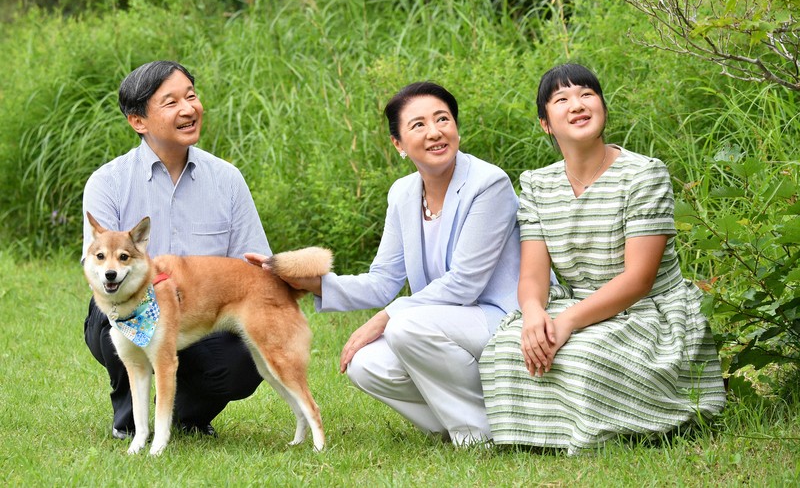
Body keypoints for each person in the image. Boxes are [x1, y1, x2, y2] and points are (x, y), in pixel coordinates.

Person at [247, 81, 546, 446]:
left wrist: (388, 316)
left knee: (404, 328)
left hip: (501, 317)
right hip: (442, 323)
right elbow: (383, 280)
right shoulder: (403, 193)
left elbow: (466, 282)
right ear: (399, 144)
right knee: (365, 366)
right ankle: (467, 422)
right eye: (418, 125)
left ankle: (476, 434)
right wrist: (312, 283)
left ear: (456, 127)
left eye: (443, 119)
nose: (435, 132)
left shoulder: (489, 184)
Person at [479, 63, 727, 454]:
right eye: (561, 100)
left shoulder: (644, 174)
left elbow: (639, 280)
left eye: (587, 94)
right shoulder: (537, 184)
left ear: (603, 109)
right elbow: (532, 276)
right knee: (505, 349)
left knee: (583, 358)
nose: (577, 104)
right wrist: (533, 315)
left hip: (648, 311)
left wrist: (566, 324)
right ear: (545, 123)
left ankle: (640, 422)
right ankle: (548, 435)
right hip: (578, 302)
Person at [82, 60, 271, 439]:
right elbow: (99, 266)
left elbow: (253, 264)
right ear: (139, 121)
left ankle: (186, 416)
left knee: (243, 360)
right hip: (127, 302)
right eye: (171, 102)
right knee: (118, 326)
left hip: (203, 313)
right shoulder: (108, 182)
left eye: (192, 96)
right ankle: (131, 421)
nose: (188, 109)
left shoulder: (227, 180)